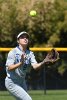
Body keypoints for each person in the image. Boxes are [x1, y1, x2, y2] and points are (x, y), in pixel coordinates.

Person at [5, 31, 46, 100]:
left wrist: (44, 62)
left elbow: (35, 66)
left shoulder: (30, 53)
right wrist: (20, 63)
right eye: (22, 37)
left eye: (26, 37)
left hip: (21, 81)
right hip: (12, 82)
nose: (25, 39)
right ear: (18, 41)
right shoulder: (13, 52)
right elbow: (9, 68)